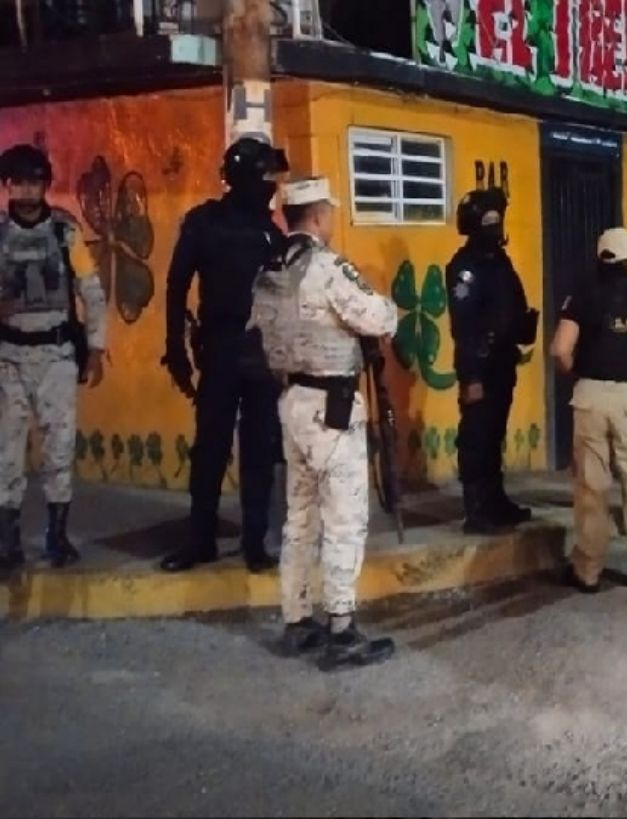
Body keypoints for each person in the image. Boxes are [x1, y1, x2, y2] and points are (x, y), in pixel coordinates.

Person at [249, 176, 399, 670]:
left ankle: (297, 620)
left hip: (292, 401)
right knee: (344, 519)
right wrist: (390, 313)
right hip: (332, 408)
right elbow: (377, 317)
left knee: (300, 516)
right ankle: (341, 628)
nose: (331, 219)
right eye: (329, 212)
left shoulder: (270, 268)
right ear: (317, 216)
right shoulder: (327, 267)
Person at [160, 137, 289, 574]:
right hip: (219, 346)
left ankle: (255, 542)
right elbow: (177, 284)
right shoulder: (204, 222)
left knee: (259, 447)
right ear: (245, 176)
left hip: (262, 349)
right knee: (211, 447)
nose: (271, 184)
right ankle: (200, 540)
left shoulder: (272, 232)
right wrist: (174, 346)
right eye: (265, 175)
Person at [0, 144, 107, 572]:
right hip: (9, 357)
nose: (27, 190)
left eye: (34, 181)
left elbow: (91, 290)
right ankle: (8, 541)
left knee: (59, 448)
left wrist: (96, 347)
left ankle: (56, 536)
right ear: (7, 185)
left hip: (57, 355)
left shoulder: (64, 231)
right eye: (18, 182)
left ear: (45, 184)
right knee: (7, 450)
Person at [550, 227, 627, 595]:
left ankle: (587, 571)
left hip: (590, 397)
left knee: (591, 488)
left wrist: (577, 370)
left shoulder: (580, 298)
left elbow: (560, 349)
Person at [446, 187, 534, 533]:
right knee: (476, 436)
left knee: (494, 433)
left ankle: (496, 501)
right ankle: (476, 508)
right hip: (479, 365)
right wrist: (471, 377)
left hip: (502, 361)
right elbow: (464, 325)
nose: (496, 226)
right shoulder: (465, 268)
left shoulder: (498, 260)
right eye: (489, 220)